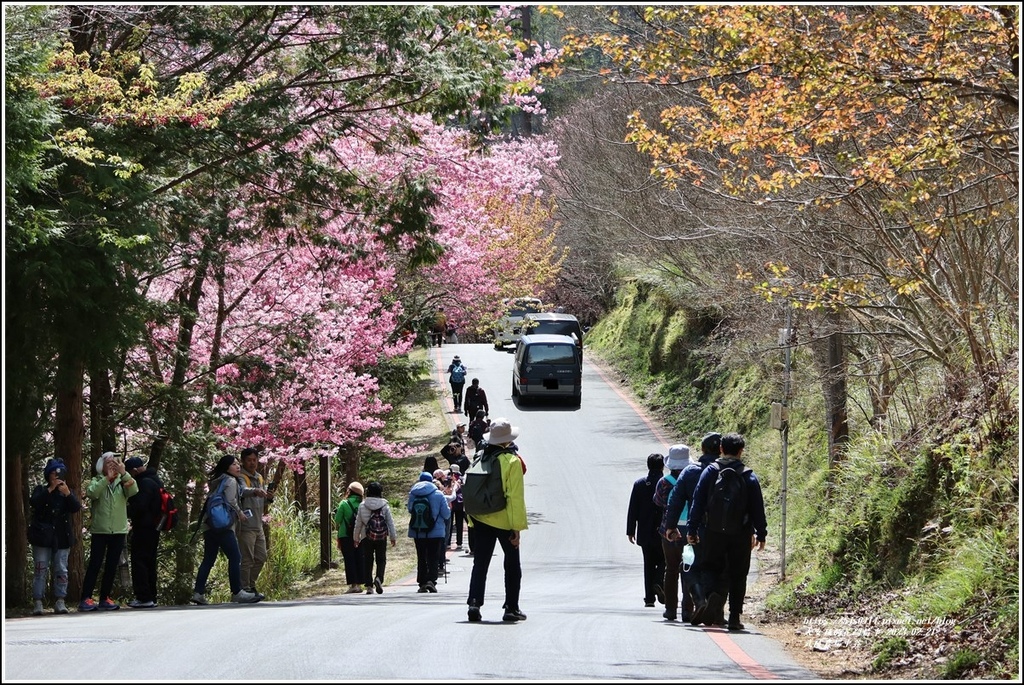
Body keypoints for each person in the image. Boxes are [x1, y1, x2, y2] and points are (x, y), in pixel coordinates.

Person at [686, 433, 767, 631]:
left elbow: (698, 501)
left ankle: (712, 596)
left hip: (713, 530)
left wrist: (692, 528)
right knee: (738, 574)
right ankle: (734, 618)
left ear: (721, 449)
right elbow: (758, 507)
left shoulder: (710, 472)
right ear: (741, 451)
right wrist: (761, 534)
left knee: (711, 567)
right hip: (740, 532)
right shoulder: (748, 476)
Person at [465, 418, 528, 623]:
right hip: (504, 520)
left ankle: (474, 602)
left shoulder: (480, 456)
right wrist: (516, 528)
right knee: (512, 564)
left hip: (481, 518)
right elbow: (514, 497)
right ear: (508, 439)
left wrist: (473, 521)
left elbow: (472, 490)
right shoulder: (512, 461)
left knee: (480, 563)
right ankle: (511, 607)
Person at [664, 432, 721, 625]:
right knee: (720, 567)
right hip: (726, 531)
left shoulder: (691, 472)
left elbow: (676, 501)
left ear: (702, 450)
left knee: (690, 567)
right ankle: (719, 610)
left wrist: (670, 526)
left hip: (697, 529)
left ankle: (698, 599)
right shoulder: (734, 471)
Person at [192, 455, 259, 605]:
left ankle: (198, 592)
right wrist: (240, 513)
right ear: (226, 467)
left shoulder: (216, 481)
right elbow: (230, 501)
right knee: (235, 557)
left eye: (237, 464)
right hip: (223, 526)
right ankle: (237, 592)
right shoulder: (230, 480)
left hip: (210, 525)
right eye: (234, 464)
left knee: (208, 559)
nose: (238, 467)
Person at [79, 452, 139, 611]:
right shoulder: (97, 481)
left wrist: (124, 473)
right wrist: (107, 479)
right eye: (109, 463)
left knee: (112, 565)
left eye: (115, 463)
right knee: (95, 564)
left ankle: (105, 598)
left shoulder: (123, 482)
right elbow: (92, 493)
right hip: (100, 530)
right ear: (102, 466)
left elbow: (134, 491)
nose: (112, 466)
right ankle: (86, 598)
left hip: (118, 530)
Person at [28, 458, 81, 615]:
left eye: (59, 472)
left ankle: (60, 600)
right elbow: (34, 503)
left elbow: (76, 508)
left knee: (61, 569)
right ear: (48, 475)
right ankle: (38, 602)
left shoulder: (66, 491)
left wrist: (68, 494)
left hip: (61, 537)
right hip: (42, 537)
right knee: (40, 569)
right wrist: (50, 489)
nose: (56, 476)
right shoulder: (41, 490)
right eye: (53, 472)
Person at [653, 444, 690, 621]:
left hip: (669, 529)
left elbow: (658, 502)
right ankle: (687, 610)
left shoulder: (664, 482)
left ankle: (670, 609)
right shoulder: (692, 480)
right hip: (690, 529)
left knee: (671, 569)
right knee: (688, 569)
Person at [627, 453, 666, 609]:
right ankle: (658, 581)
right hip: (663, 531)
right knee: (665, 560)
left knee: (648, 564)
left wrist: (631, 531)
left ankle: (649, 598)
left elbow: (633, 509)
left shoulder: (639, 484)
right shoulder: (667, 483)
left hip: (644, 532)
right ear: (663, 466)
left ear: (648, 465)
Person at [124, 456, 163, 608]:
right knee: (150, 561)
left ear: (134, 471)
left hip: (144, 527)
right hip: (154, 527)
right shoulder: (155, 480)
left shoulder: (144, 483)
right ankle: (151, 595)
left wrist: (124, 510)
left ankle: (144, 596)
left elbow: (140, 507)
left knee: (139, 561)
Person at [407, 471, 451, 593]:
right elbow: (446, 515)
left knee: (421, 557)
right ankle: (432, 581)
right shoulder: (438, 494)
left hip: (418, 531)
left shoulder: (413, 493)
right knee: (433, 557)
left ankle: (422, 582)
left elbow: (410, 509)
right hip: (435, 532)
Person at [237, 447, 271, 601]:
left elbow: (262, 498)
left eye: (254, 460)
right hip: (246, 526)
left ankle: (251, 585)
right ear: (243, 461)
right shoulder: (240, 477)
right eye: (249, 460)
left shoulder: (259, 477)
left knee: (261, 557)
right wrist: (255, 491)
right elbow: (243, 491)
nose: (252, 463)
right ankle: (244, 589)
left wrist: (269, 497)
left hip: (258, 525)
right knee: (247, 558)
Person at [352, 481, 397, 594]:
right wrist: (393, 536)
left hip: (366, 536)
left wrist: (356, 538)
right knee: (381, 559)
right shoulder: (384, 505)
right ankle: (379, 578)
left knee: (368, 560)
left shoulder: (362, 505)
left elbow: (358, 524)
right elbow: (390, 522)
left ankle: (369, 586)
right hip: (381, 536)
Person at [334, 481, 365, 594]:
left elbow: (337, 520)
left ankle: (353, 585)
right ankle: (361, 583)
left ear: (349, 491)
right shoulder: (363, 504)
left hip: (346, 535)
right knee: (359, 558)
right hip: (361, 535)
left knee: (349, 559)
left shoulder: (344, 504)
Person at [447, 464, 467, 551]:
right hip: (460, 503)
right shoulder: (461, 479)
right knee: (460, 523)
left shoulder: (448, 479)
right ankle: (459, 543)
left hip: (450, 503)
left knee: (449, 524)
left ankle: (448, 542)